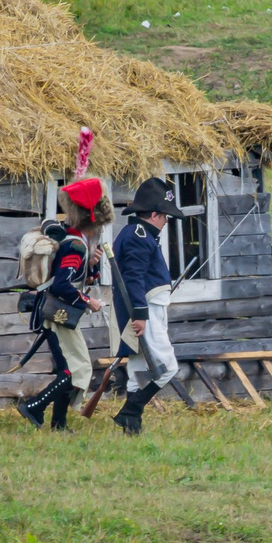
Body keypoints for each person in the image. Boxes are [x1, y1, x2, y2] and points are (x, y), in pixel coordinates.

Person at [16, 176, 110, 430]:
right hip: (57, 313)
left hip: (57, 313)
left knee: (67, 368)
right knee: (76, 370)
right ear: (94, 222)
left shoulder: (77, 244)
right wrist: (88, 301)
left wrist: (91, 265)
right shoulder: (76, 246)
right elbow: (62, 286)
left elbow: (74, 277)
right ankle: (34, 406)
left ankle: (59, 423)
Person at [109, 178, 182, 435]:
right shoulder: (139, 236)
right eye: (165, 217)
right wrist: (139, 316)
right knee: (167, 367)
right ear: (154, 215)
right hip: (145, 312)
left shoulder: (139, 234)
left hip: (149, 310)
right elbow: (133, 279)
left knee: (139, 370)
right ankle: (131, 411)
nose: (166, 222)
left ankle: (131, 426)